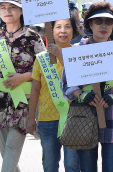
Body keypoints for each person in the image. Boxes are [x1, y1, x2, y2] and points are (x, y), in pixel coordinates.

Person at [0, 0, 46, 172]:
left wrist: (23, 77)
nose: (7, 10)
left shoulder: (33, 38)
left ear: (22, 11)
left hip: (23, 104)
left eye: (12, 7)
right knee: (7, 156)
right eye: (3, 7)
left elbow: (46, 69)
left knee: (11, 151)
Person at [61, 2, 113, 172]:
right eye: (98, 21)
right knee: (87, 169)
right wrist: (82, 95)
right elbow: (66, 84)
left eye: (108, 22)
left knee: (111, 168)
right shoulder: (76, 50)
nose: (103, 25)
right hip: (84, 118)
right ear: (89, 25)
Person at [26, 13, 81, 172]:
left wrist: (60, 55)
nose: (63, 30)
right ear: (51, 31)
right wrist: (31, 118)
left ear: (73, 30)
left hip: (74, 119)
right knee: (49, 165)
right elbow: (35, 89)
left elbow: (80, 80)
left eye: (67, 26)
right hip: (47, 119)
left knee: (72, 165)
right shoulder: (41, 58)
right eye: (58, 27)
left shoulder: (79, 55)